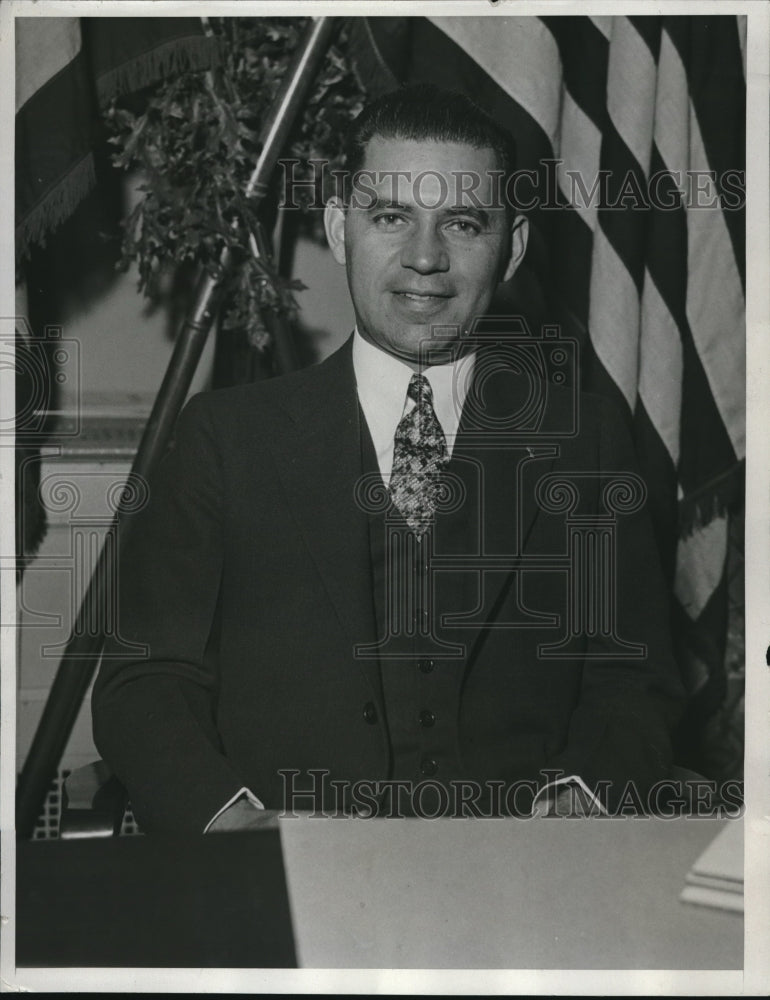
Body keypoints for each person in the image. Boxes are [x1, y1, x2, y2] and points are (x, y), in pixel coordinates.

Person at [92, 85, 684, 833]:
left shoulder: (584, 443)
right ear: (341, 229)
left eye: (462, 223)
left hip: (519, 870)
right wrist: (236, 827)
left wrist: (577, 801)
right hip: (290, 866)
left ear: (513, 248)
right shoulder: (225, 440)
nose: (425, 258)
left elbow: (634, 683)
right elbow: (146, 682)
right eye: (391, 217)